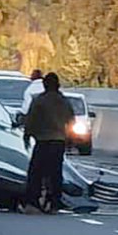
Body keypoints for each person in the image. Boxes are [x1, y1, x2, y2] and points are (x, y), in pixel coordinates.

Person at [22, 72, 74, 215]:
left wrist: (27, 135)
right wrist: (69, 140)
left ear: (45, 85)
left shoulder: (40, 100)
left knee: (36, 172)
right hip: (58, 141)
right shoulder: (64, 101)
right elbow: (71, 121)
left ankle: (33, 202)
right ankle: (54, 203)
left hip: (43, 140)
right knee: (55, 173)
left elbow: (31, 119)